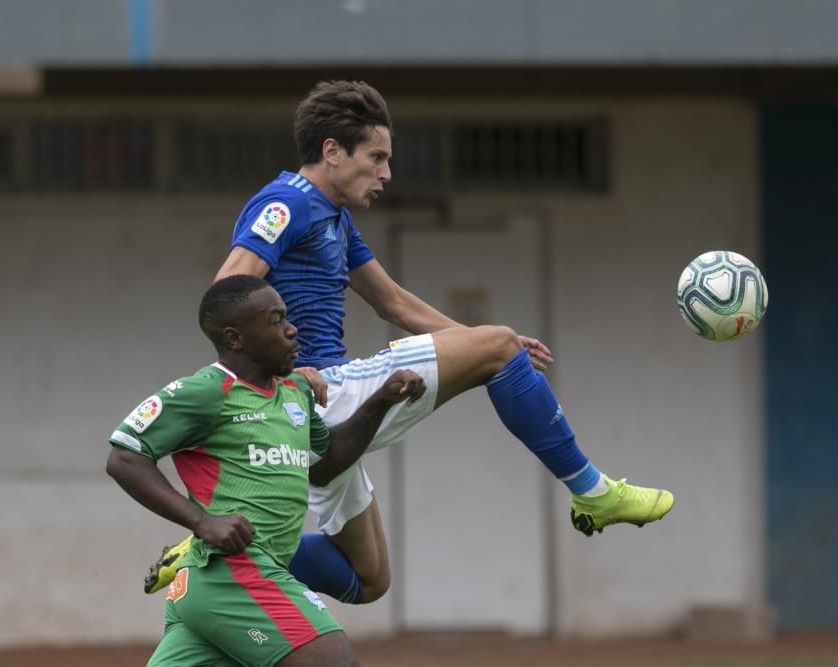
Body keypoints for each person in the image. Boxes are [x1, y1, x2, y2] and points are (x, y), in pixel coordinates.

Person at [145, 80, 675, 605]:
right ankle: (593, 493)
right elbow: (224, 294)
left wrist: (488, 341)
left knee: (367, 579)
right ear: (332, 152)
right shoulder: (287, 202)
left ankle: (205, 550)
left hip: (318, 410)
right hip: (316, 392)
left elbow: (394, 303)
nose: (386, 174)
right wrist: (275, 383)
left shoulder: (334, 217)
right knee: (497, 349)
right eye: (376, 158)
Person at [107, 274, 425, 666]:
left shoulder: (294, 391)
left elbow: (325, 466)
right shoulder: (206, 392)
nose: (292, 330)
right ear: (234, 338)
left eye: (286, 317)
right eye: (275, 321)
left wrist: (380, 401)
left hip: (216, 583)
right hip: (236, 573)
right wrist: (202, 522)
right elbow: (124, 456)